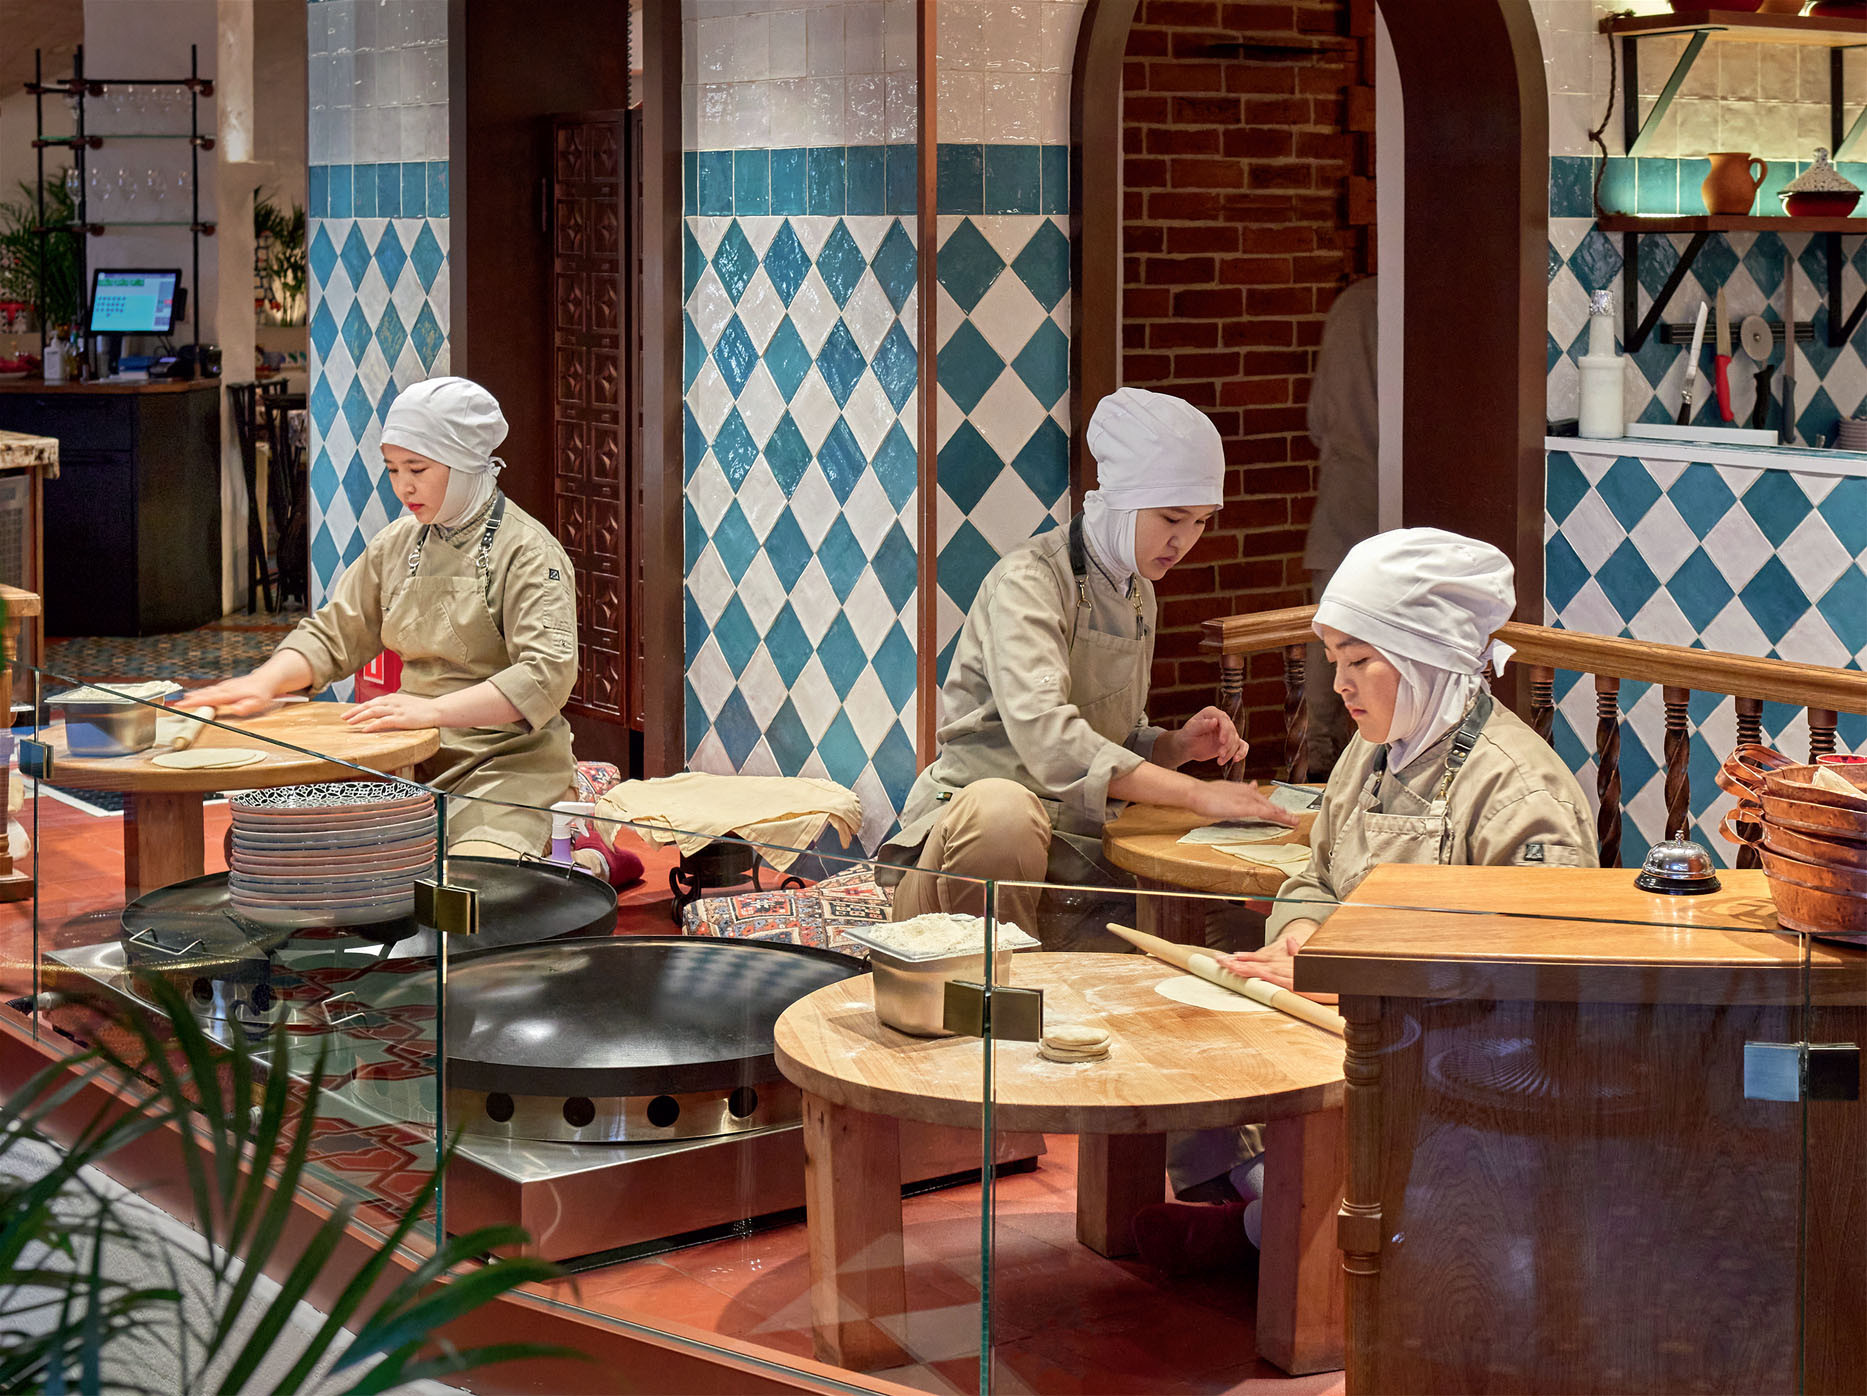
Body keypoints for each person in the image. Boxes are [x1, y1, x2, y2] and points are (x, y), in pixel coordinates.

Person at [1134, 526, 1598, 1274]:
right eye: (1333, 663)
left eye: (1359, 663)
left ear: (1425, 659)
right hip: (1360, 1015)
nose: (1340, 687)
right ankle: (1268, 1207)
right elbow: (1317, 876)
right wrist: (1301, 936)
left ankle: (1272, 1234)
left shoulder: (1519, 791)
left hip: (1459, 1063)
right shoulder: (1373, 749)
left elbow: (1536, 973)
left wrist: (1347, 977)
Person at [880, 387, 1296, 946]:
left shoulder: (1138, 591)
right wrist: (1195, 793)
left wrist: (1174, 746)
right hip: (969, 856)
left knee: (1220, 940)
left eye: (1201, 521)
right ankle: (984, 989)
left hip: (1071, 858)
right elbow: (1052, 741)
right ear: (1118, 499)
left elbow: (1112, 738)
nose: (1184, 540)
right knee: (1003, 811)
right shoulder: (1027, 582)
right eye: (1172, 517)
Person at [186, 376, 578, 859]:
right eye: (392, 469)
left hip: (506, 765)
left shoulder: (528, 552)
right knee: (268, 846)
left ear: (465, 462)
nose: (403, 486)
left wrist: (433, 711)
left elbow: (545, 675)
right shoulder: (398, 543)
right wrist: (264, 682)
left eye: (417, 468)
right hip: (407, 756)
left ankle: (581, 854)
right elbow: (335, 633)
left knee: (475, 879)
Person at [1302, 276, 1378, 774]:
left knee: (1326, 639)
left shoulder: (1350, 306)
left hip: (1344, 497)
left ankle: (1314, 763)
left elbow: (1317, 419)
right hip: (1399, 499)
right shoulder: (1420, 306)